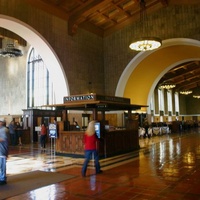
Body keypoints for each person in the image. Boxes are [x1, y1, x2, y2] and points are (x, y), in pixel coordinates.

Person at [0, 118, 8, 185]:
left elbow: (3, 139)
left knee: (2, 165)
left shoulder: (4, 130)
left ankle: (3, 179)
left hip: (2, 150)